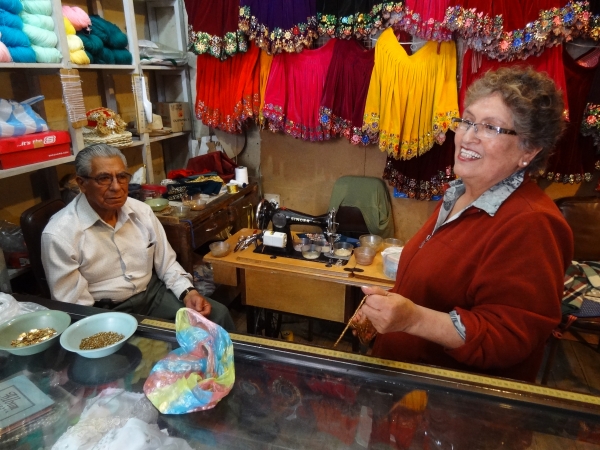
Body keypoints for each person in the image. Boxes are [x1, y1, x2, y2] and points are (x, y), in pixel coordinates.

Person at [354, 67, 574, 382]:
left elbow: (510, 336)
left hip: (450, 408)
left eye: (491, 128)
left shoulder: (532, 223)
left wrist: (413, 320)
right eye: (467, 120)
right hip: (405, 391)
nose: (468, 136)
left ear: (529, 150)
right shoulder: (461, 194)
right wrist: (388, 308)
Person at [41, 144, 235, 331]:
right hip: (105, 311)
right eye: (104, 178)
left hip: (152, 295)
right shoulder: (60, 234)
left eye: (122, 177)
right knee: (137, 354)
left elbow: (166, 263)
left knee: (216, 316)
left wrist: (188, 292)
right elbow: (76, 307)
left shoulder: (141, 211)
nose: (116, 187)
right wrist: (102, 330)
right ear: (82, 183)